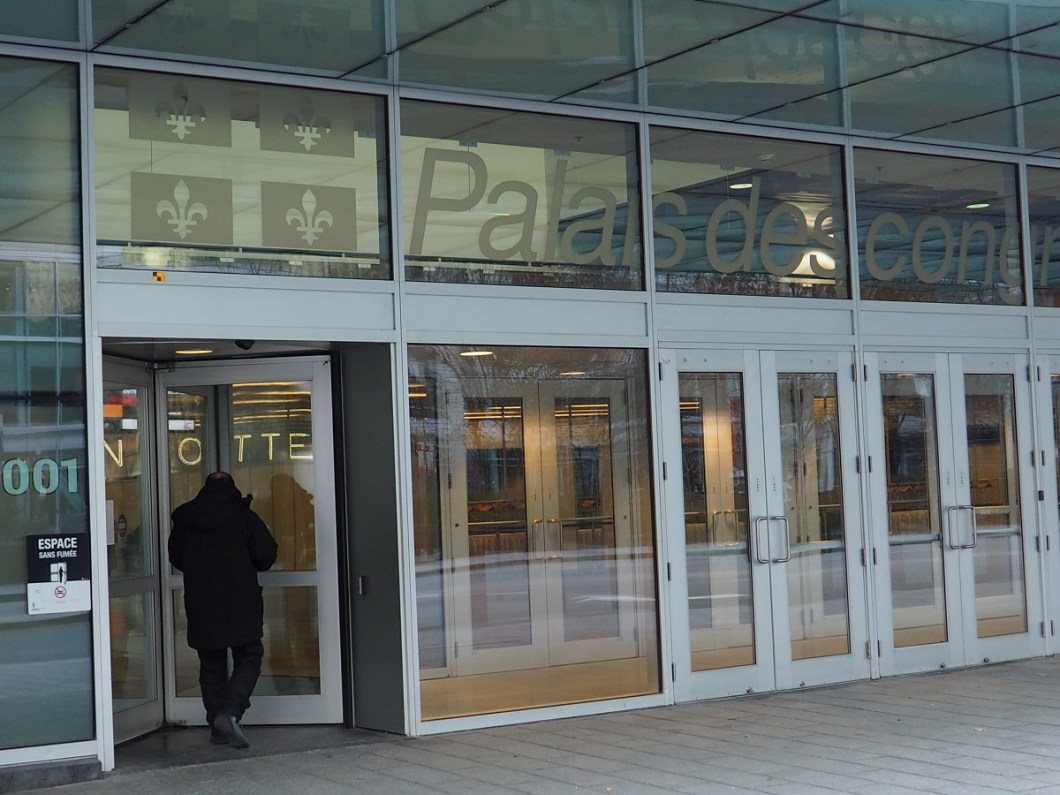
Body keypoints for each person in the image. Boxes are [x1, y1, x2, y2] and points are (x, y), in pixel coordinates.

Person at [168, 471, 278, 748]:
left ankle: (217, 724)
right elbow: (266, 555)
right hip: (240, 601)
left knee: (211, 662)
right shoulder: (243, 518)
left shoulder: (186, 520)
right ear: (232, 490)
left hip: (201, 602)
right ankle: (230, 712)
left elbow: (176, 557)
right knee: (249, 655)